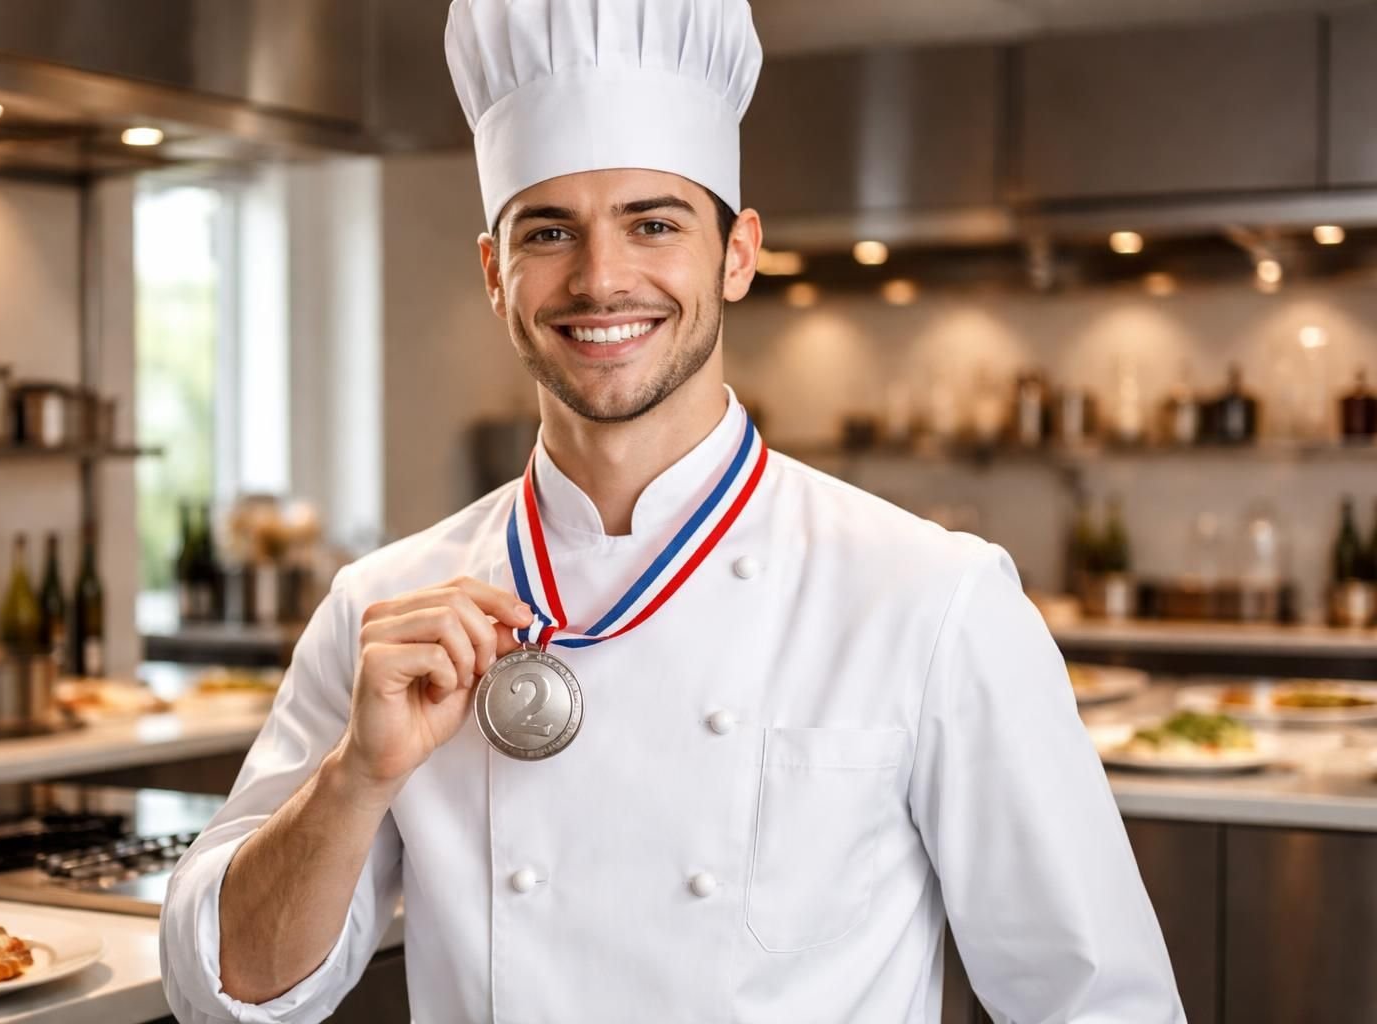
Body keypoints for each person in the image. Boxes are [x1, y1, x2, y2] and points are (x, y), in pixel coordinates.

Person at [160, 1, 1186, 1020]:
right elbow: (223, 992)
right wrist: (355, 777)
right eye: (549, 231)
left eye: (653, 224)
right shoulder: (383, 609)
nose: (601, 279)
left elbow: (1099, 1003)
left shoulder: (931, 597)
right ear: (494, 274)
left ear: (738, 255)